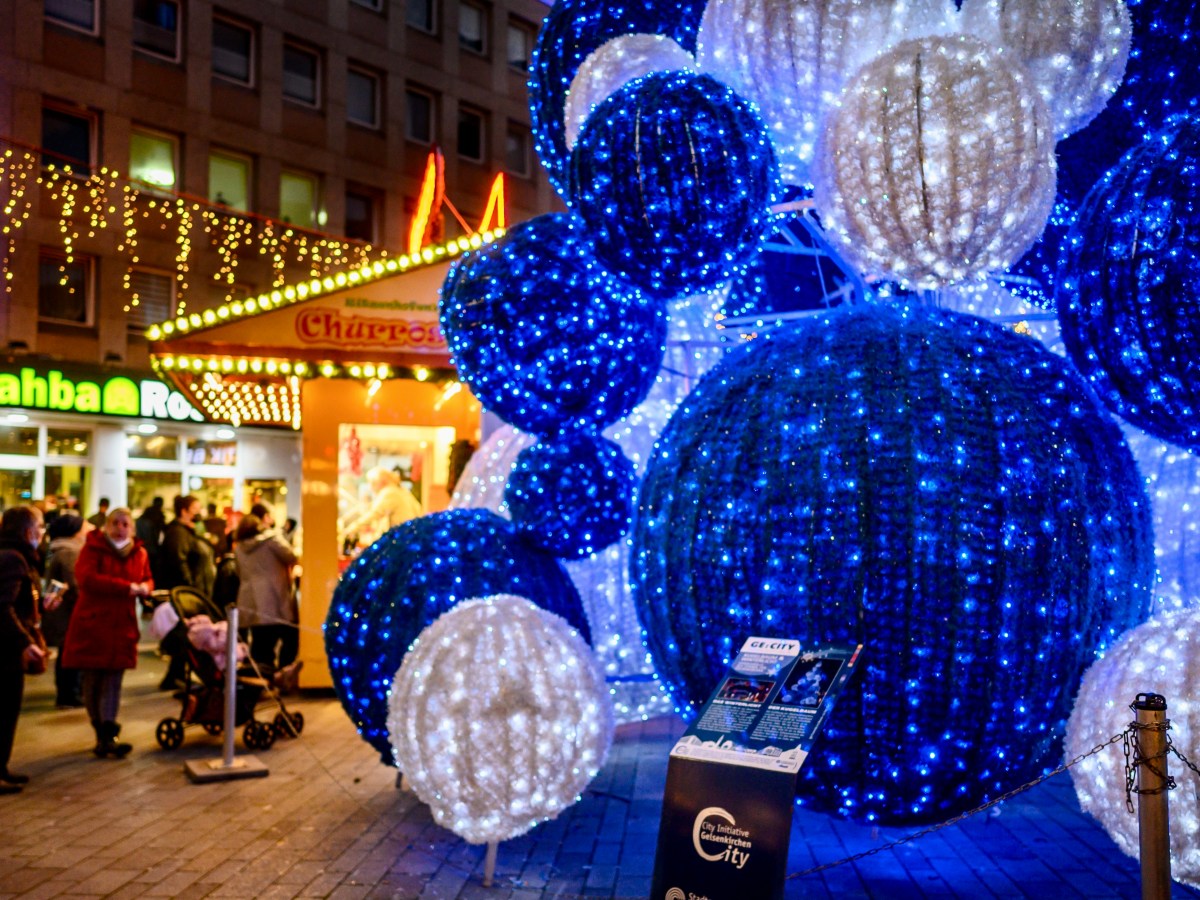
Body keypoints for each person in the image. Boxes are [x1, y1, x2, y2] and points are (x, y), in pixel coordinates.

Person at [61, 508, 153, 758]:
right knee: (93, 679)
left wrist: (144, 587)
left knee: (114, 679)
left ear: (132, 528)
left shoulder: (139, 552)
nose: (120, 527)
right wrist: (128, 588)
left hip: (122, 624)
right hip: (95, 622)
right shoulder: (93, 549)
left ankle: (108, 733)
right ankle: (100, 730)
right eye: (116, 522)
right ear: (106, 525)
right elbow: (87, 579)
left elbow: (147, 579)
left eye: (125, 523)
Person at [0, 506, 48, 792]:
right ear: (28, 531)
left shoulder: (14, 557)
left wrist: (40, 607)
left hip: (8, 647)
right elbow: (2, 606)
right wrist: (25, 642)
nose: (42, 533)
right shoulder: (13, 559)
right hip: (5, 652)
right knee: (4, 710)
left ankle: (1, 767)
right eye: (40, 526)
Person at [157, 495, 215, 691]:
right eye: (196, 508)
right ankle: (175, 675)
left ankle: (177, 674)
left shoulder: (190, 532)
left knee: (190, 635)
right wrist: (189, 589)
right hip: (188, 595)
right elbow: (179, 562)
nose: (200, 513)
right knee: (187, 634)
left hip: (196, 592)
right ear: (184, 511)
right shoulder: (177, 534)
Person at [234, 515, 300, 686]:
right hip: (275, 597)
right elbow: (292, 557)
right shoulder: (272, 540)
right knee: (290, 636)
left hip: (251, 600)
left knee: (261, 642)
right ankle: (282, 673)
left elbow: (239, 572)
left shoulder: (239, 548)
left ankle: (263, 679)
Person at [43, 513, 89, 708]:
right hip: (68, 614)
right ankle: (68, 694)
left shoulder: (58, 549)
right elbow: (75, 584)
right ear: (75, 531)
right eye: (84, 526)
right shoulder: (70, 552)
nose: (88, 529)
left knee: (67, 652)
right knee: (70, 653)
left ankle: (68, 692)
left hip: (62, 612)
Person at [341, 466, 422, 547]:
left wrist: (349, 530)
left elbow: (373, 514)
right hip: (410, 537)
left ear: (380, 482)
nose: (371, 487)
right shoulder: (403, 491)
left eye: (371, 483)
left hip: (401, 538)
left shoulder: (389, 492)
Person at [136, 497, 166, 582]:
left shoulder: (144, 517)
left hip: (144, 549)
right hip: (155, 551)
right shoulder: (159, 516)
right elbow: (161, 537)